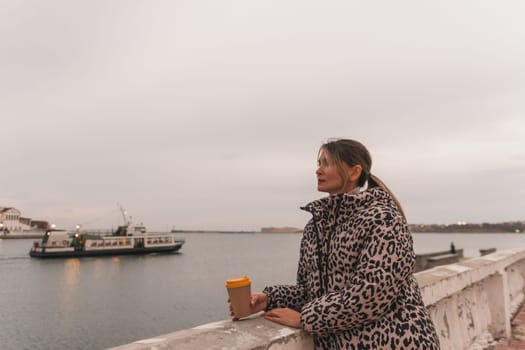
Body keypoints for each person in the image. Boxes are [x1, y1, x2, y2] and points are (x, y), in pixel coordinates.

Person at [230, 139, 440, 349]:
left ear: (354, 172)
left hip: (397, 341)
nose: (317, 170)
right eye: (318, 163)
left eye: (326, 163)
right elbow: (311, 292)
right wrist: (269, 299)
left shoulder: (383, 218)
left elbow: (373, 293)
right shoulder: (315, 227)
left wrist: (305, 318)